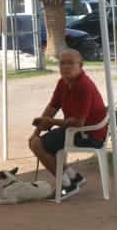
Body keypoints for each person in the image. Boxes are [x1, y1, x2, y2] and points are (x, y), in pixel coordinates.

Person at [28, 48, 108, 198]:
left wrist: (51, 122)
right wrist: (36, 132)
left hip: (89, 134)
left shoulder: (83, 85)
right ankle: (73, 177)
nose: (65, 67)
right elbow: (52, 108)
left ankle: (67, 185)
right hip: (76, 131)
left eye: (70, 63)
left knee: (37, 145)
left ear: (81, 65)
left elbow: (78, 122)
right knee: (35, 141)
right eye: (62, 63)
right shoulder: (63, 83)